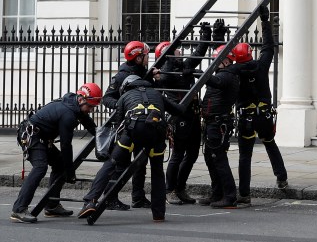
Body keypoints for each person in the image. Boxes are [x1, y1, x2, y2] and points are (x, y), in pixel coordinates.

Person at [78, 74, 182, 223]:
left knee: (111, 164)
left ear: (126, 86)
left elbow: (120, 123)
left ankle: (90, 201)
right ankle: (159, 214)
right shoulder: (157, 93)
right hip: (157, 132)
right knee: (157, 171)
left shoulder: (125, 96)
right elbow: (179, 110)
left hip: (133, 131)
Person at [156, 19, 225, 205]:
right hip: (179, 117)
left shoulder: (183, 67)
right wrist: (170, 54)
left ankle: (180, 187)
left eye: (178, 52)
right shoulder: (165, 73)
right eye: (175, 52)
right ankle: (169, 190)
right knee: (178, 154)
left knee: (193, 154)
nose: (179, 53)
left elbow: (197, 54)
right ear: (167, 55)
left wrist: (205, 35)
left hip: (193, 115)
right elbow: (166, 78)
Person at [10, 83, 100, 224]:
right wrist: (70, 172)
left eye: (93, 107)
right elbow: (65, 146)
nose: (91, 110)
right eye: (90, 106)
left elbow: (90, 125)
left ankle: (51, 205)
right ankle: (19, 209)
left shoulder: (74, 106)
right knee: (40, 167)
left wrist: (102, 136)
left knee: (59, 165)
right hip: (31, 136)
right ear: (81, 99)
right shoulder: (68, 114)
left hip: (42, 137)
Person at [231, 6, 288, 206]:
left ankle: (244, 194)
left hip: (246, 118)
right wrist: (265, 21)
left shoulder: (234, 72)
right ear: (249, 54)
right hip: (263, 116)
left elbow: (220, 65)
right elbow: (268, 46)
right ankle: (281, 178)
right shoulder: (261, 66)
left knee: (245, 156)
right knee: (270, 144)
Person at [101, 40, 160, 209]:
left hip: (141, 123)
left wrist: (156, 79)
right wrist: (124, 105)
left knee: (140, 163)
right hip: (125, 125)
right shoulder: (121, 76)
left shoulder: (144, 72)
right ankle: (110, 198)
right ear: (137, 57)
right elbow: (107, 98)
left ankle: (138, 197)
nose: (148, 58)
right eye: (145, 55)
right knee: (121, 164)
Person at [198, 42, 241, 208]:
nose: (214, 63)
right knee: (211, 158)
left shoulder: (227, 75)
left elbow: (216, 82)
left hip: (218, 124)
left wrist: (199, 74)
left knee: (219, 159)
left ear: (226, 61)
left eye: (217, 60)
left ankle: (229, 197)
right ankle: (217, 193)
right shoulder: (223, 73)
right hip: (212, 122)